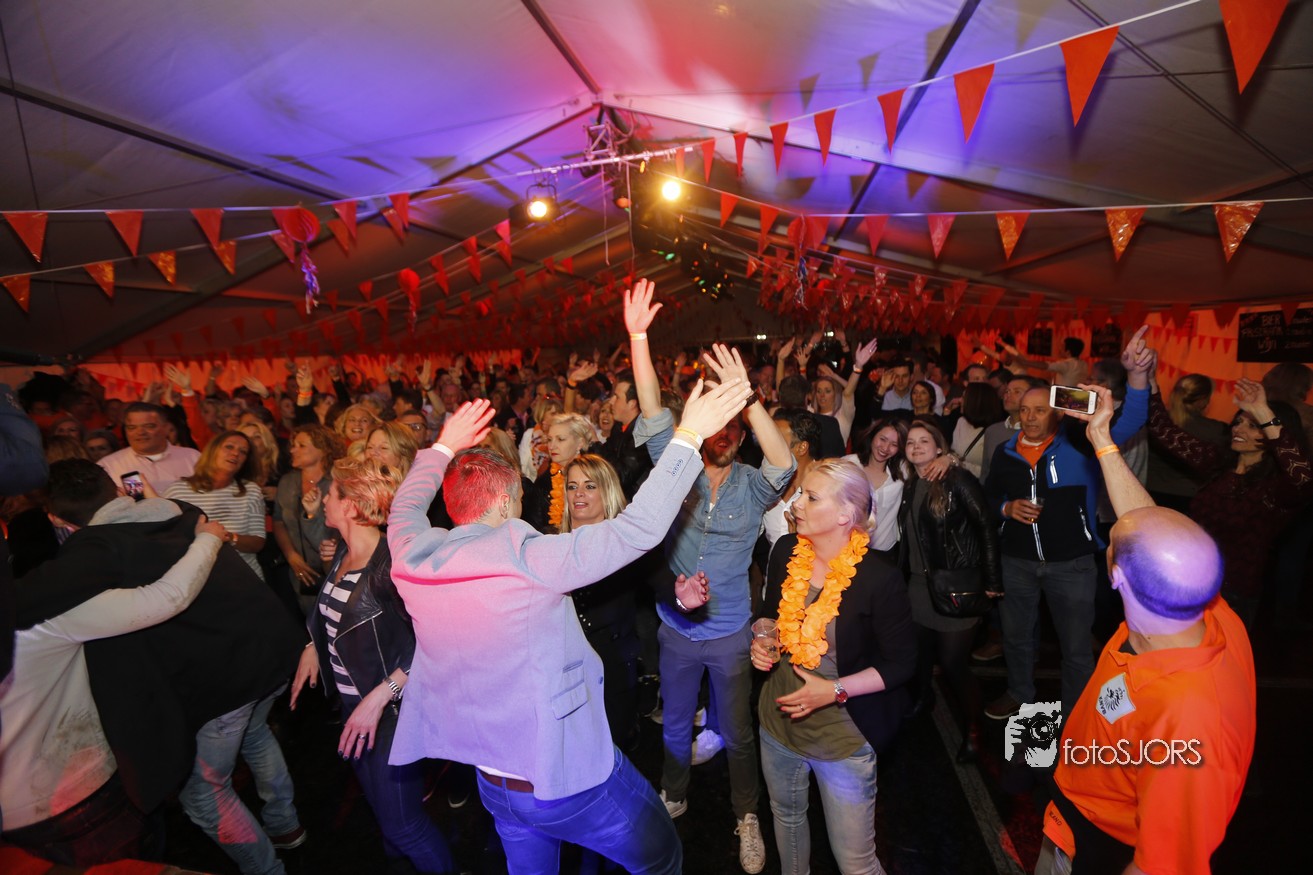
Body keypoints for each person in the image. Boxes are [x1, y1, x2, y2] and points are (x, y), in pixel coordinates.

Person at [386, 377, 752, 874]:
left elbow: (404, 507)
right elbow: (638, 529)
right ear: (507, 501)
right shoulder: (528, 558)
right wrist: (688, 435)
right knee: (662, 856)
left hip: (493, 783)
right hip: (566, 778)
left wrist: (443, 446)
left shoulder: (412, 556)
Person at [1035, 384, 1256, 875]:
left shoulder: (1190, 720)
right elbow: (1146, 524)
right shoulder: (1204, 606)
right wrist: (1102, 439)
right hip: (1073, 813)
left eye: (1113, 542)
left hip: (1100, 848)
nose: (1126, 523)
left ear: (1117, 576)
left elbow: (1166, 864)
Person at [627, 282, 795, 874]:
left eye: (732, 428)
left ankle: (746, 815)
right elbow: (653, 410)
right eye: (715, 426)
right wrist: (638, 337)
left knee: (738, 732)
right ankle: (673, 793)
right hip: (676, 630)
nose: (722, 436)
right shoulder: (677, 468)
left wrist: (747, 397)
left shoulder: (752, 484)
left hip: (729, 634)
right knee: (674, 726)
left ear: (740, 434)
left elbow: (785, 462)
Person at [0, 511, 225, 866]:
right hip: (80, 795)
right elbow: (167, 597)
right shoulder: (38, 616)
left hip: (14, 818)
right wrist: (209, 539)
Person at [750, 459, 917, 875]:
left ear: (846, 514)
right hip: (777, 723)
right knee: (786, 818)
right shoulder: (785, 550)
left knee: (855, 864)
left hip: (842, 738)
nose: (796, 504)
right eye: (800, 494)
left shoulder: (879, 579)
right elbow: (770, 614)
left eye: (811, 497)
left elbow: (901, 664)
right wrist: (763, 640)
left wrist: (835, 689)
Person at [289, 457, 455, 875]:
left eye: (330, 493)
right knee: (386, 817)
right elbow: (334, 610)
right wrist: (314, 644)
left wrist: (382, 695)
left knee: (405, 826)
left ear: (349, 505)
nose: (323, 499)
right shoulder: (345, 551)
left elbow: (435, 639)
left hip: (391, 715)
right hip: (356, 709)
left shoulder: (390, 565)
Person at [983, 327, 1151, 718]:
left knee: (1075, 647)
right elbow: (988, 497)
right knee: (1017, 637)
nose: (1030, 417)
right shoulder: (1006, 452)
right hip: (1017, 562)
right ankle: (1019, 692)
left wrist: (1138, 376)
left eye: (1040, 410)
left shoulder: (1080, 444)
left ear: (1058, 412)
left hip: (1071, 564)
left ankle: (1077, 711)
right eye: (1024, 410)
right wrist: (1005, 508)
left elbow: (1134, 418)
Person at [1145, 368, 1313, 628]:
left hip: (1231, 595)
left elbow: (1302, 476)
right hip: (1188, 582)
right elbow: (1163, 430)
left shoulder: (1275, 488)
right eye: (1238, 421)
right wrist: (1148, 380)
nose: (1238, 428)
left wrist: (1264, 413)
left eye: (1252, 425)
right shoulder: (1220, 463)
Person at [898, 422, 1002, 762]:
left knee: (954, 663)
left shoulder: (956, 480)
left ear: (940, 448)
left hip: (956, 587)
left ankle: (975, 728)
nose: (916, 447)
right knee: (920, 655)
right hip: (918, 586)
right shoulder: (912, 483)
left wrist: (992, 583)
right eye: (911, 442)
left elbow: (986, 527)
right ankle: (922, 700)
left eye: (924, 441)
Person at [560, 453, 652, 751]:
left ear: (607, 491)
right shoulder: (551, 545)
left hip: (612, 668)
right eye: (572, 486)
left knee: (613, 748)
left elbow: (665, 589)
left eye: (590, 486)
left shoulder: (625, 548)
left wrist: (683, 600)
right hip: (565, 671)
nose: (579, 493)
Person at [164, 430, 268, 578]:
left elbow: (257, 543)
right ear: (212, 450)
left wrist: (228, 537)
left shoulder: (251, 491)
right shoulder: (177, 491)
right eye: (229, 447)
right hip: (195, 579)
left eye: (243, 452)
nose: (235, 453)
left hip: (243, 578)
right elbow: (167, 539)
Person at [273, 424, 345, 613]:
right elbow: (278, 521)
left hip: (334, 570)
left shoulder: (337, 482)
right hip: (298, 572)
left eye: (301, 445)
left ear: (323, 449)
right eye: (293, 445)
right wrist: (291, 555)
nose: (292, 450)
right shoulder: (287, 482)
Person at [97, 401, 200, 493]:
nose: (140, 432)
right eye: (132, 428)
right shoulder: (109, 466)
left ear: (166, 428)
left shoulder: (193, 458)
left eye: (149, 426)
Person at [843, 418, 909, 560]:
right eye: (882, 439)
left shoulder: (903, 471)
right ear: (873, 436)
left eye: (894, 444)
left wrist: (949, 459)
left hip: (883, 552)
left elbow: (931, 462)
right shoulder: (848, 464)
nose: (885, 448)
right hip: (845, 549)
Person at [524, 412, 595, 533]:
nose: (552, 446)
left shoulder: (595, 474)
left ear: (580, 443)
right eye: (550, 440)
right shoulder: (544, 481)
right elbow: (534, 527)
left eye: (560, 439)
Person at [949, 382, 1005, 478]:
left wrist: (958, 463)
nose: (960, 400)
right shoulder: (961, 421)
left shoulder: (994, 432)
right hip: (956, 479)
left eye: (964, 398)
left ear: (976, 402)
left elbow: (992, 471)